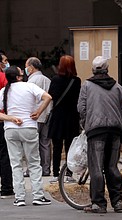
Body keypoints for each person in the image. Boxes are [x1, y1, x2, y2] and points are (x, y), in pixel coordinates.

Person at [77, 56, 122, 213]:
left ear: (93, 70)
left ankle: (99, 204)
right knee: (112, 167)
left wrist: (86, 124)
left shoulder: (87, 86)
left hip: (96, 131)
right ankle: (117, 202)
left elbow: (81, 108)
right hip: (114, 131)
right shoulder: (117, 87)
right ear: (107, 69)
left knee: (97, 168)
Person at [0, 65, 52, 207]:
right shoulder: (29, 86)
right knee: (34, 163)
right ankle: (38, 196)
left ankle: (19, 197)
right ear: (18, 77)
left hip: (10, 129)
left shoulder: (4, 91)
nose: (23, 71)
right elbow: (48, 97)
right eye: (20, 71)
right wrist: (38, 112)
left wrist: (10, 118)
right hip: (29, 127)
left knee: (15, 164)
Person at [48, 55, 81, 183]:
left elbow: (51, 96)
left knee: (56, 147)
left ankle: (55, 174)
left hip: (58, 116)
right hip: (72, 117)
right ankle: (68, 173)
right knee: (70, 147)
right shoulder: (76, 81)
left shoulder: (55, 79)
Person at [25, 57, 52, 176]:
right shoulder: (47, 80)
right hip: (47, 115)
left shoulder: (30, 82)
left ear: (31, 67)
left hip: (34, 116)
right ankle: (46, 169)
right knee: (45, 143)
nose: (25, 69)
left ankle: (32, 169)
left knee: (32, 144)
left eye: (26, 66)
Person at [0, 52, 14, 199]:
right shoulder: (3, 78)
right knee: (5, 153)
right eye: (4, 61)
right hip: (3, 118)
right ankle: (6, 187)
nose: (6, 63)